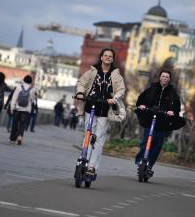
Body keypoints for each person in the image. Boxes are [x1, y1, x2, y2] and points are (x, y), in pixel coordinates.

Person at [75, 48, 125, 177]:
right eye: (106, 55)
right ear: (101, 57)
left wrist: (114, 99)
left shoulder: (116, 75)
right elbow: (81, 82)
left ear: (112, 59)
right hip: (90, 107)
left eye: (110, 56)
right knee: (88, 135)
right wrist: (80, 93)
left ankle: (91, 166)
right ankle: (83, 157)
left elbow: (121, 90)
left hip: (104, 110)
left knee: (99, 139)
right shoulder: (92, 71)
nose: (108, 58)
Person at [134, 70, 185, 174]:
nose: (165, 78)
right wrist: (142, 105)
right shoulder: (151, 89)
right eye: (163, 76)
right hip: (150, 119)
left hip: (162, 123)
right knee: (145, 142)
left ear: (169, 79)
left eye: (167, 77)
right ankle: (140, 161)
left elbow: (176, 108)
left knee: (157, 145)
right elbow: (141, 100)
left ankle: (149, 165)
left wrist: (172, 112)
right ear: (160, 77)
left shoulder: (173, 94)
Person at [10, 75, 36, 145]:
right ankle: (20, 137)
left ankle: (12, 138)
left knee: (15, 124)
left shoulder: (19, 87)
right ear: (31, 81)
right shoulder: (32, 89)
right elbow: (32, 100)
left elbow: (14, 98)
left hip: (17, 109)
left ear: (24, 80)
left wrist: (12, 108)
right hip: (26, 110)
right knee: (22, 125)